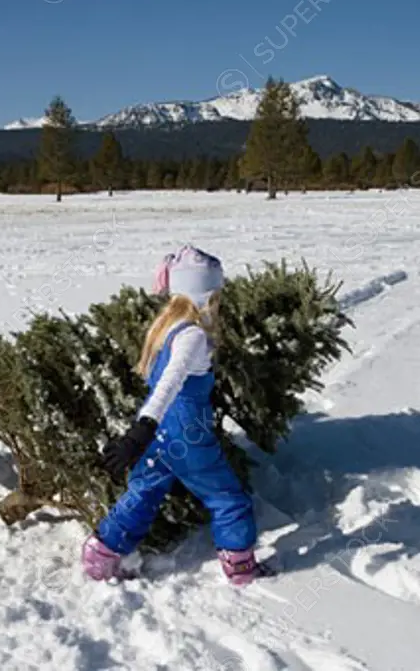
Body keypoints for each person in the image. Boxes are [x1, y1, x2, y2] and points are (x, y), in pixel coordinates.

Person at [81, 245, 268, 585]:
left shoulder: (169, 327)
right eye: (217, 292)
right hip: (186, 432)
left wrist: (147, 431)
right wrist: (139, 430)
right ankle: (241, 565)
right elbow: (168, 384)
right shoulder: (194, 336)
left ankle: (102, 551)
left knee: (146, 490)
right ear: (208, 293)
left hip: (163, 432)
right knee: (226, 496)